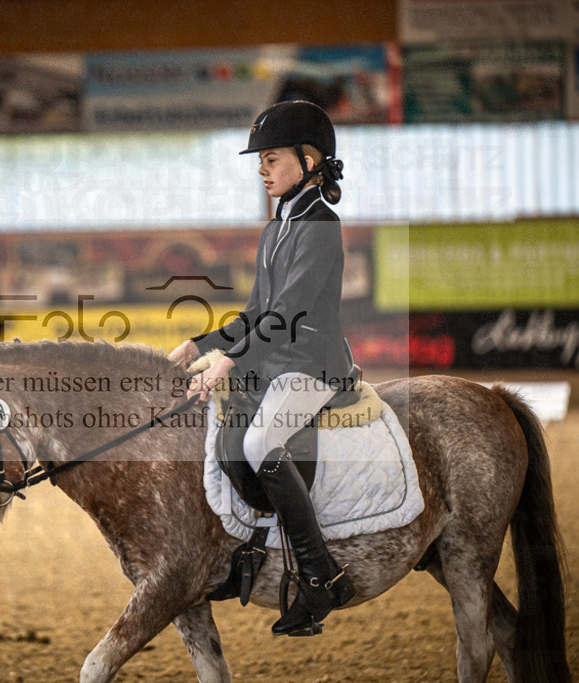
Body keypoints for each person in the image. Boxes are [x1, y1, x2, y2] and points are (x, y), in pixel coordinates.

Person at [168, 100, 356, 637]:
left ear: (309, 159)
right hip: (275, 363)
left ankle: (320, 578)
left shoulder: (321, 226)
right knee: (225, 436)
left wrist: (228, 360)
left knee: (257, 445)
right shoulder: (275, 229)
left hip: (314, 366)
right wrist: (199, 342)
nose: (262, 168)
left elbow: (290, 311)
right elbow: (256, 313)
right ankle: (249, 554)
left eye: (272, 159)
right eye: (262, 160)